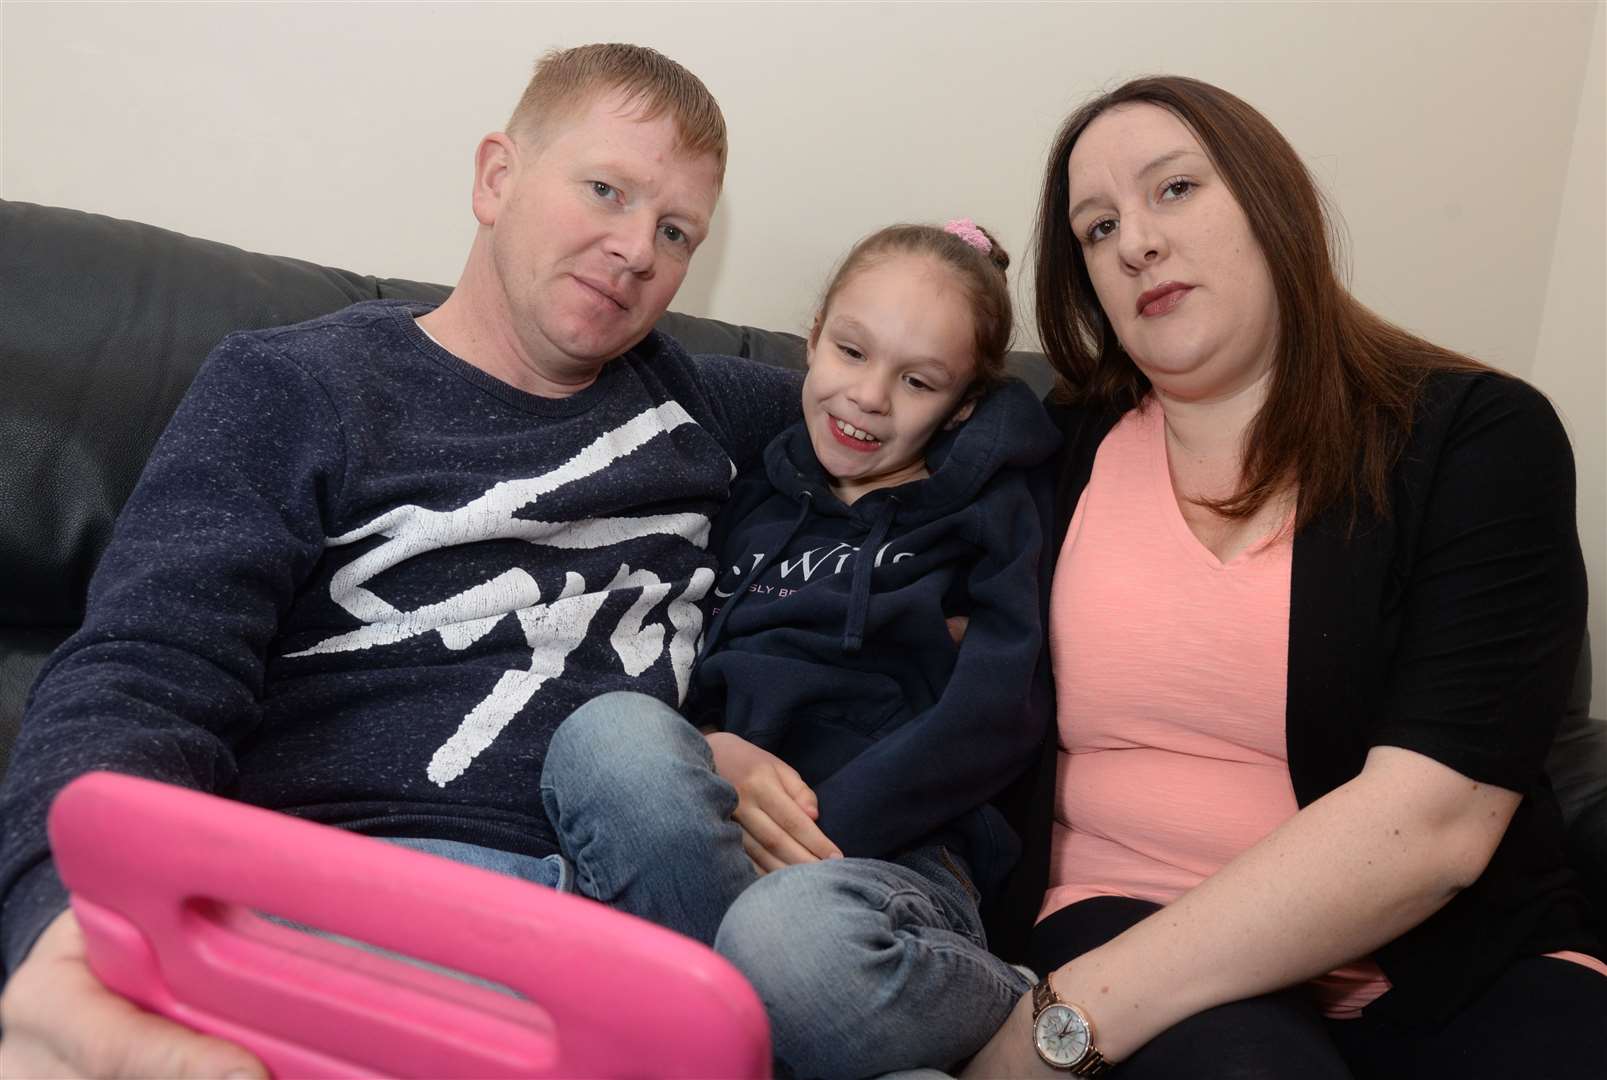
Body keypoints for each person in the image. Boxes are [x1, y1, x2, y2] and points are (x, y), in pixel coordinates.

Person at [0, 43, 801, 1078]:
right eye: (606, 189)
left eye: (675, 230)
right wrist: (67, 918)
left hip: (653, 934)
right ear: (496, 177)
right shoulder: (296, 388)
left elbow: (938, 396)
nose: (635, 247)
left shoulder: (700, 404)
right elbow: (146, 671)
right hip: (381, 900)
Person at [962, 76, 1607, 1078]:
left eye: (1172, 190)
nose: (1133, 242)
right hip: (1128, 923)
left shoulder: (1475, 438)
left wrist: (1056, 1022)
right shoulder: (1047, 449)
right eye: (1095, 228)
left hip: (1445, 962)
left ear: (1273, 202)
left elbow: (1432, 824)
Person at [537, 220, 1060, 1076]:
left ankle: (989, 1004)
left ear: (964, 405)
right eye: (851, 352)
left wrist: (825, 836)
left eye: (918, 380)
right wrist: (708, 749)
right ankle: (804, 1039)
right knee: (606, 734)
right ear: (812, 337)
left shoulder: (990, 514)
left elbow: (998, 712)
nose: (868, 397)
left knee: (791, 939)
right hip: (725, 847)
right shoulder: (752, 491)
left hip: (892, 868)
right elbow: (682, 656)